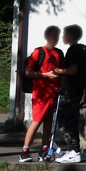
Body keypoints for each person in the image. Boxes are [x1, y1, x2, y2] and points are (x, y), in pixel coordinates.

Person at [18, 26, 63, 163]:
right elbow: (28, 72)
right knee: (36, 122)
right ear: (47, 37)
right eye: (52, 36)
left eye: (57, 36)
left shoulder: (59, 53)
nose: (55, 39)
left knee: (49, 123)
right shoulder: (39, 52)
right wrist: (45, 75)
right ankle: (24, 151)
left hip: (53, 93)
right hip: (41, 93)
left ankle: (44, 150)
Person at [50, 24, 86, 163]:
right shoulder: (78, 50)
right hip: (73, 91)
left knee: (66, 121)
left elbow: (73, 70)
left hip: (70, 92)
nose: (62, 37)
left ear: (71, 36)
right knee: (68, 120)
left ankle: (74, 151)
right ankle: (72, 150)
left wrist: (57, 70)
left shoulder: (73, 50)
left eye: (65, 34)